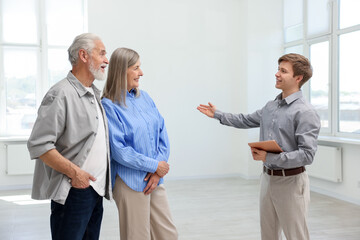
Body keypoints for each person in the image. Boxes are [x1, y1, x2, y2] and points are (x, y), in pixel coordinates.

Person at [197, 53, 321, 240]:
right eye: (278, 69)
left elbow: (307, 155)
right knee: (268, 235)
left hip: (292, 183)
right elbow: (245, 120)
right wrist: (218, 114)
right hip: (267, 179)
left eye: (283, 71)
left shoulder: (305, 112)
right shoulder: (271, 106)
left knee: (296, 236)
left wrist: (269, 157)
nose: (277, 74)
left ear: (298, 78)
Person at [27, 33, 111, 240]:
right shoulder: (60, 93)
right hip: (74, 190)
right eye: (101, 54)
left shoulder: (94, 93)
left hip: (95, 190)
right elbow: (40, 145)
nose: (106, 60)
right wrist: (76, 174)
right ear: (83, 55)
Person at [101, 47, 178, 240]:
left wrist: (157, 169)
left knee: (168, 234)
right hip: (129, 182)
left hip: (155, 178)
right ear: (121, 71)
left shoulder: (145, 98)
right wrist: (154, 165)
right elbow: (118, 150)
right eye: (136, 68)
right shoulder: (109, 105)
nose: (141, 73)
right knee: (137, 236)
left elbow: (162, 132)